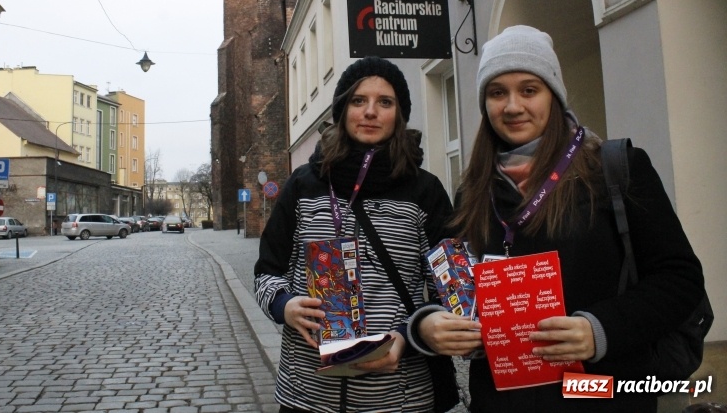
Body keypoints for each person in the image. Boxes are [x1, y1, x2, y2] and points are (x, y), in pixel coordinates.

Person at [409, 25, 706, 412]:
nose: (512, 106)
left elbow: (680, 279)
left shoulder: (615, 170)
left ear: (553, 95)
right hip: (502, 401)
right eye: (497, 93)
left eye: (529, 90)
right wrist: (430, 323)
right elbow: (458, 286)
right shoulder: (473, 192)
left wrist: (600, 330)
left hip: (599, 394)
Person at [254, 56, 455, 412]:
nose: (370, 112)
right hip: (308, 395)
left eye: (385, 102)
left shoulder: (425, 191)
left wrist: (407, 336)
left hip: (399, 397)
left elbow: (453, 292)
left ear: (399, 114)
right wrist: (285, 306)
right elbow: (267, 273)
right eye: (359, 100)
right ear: (343, 109)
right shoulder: (303, 185)